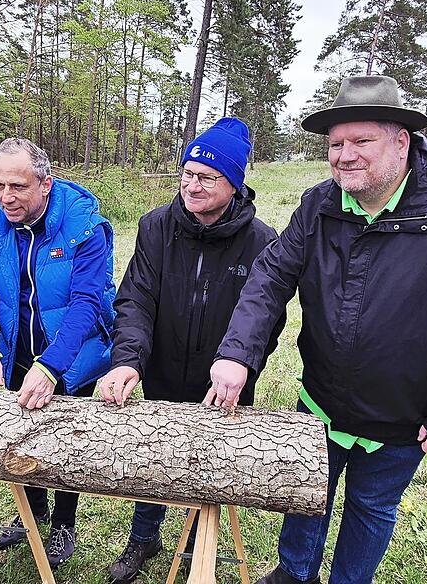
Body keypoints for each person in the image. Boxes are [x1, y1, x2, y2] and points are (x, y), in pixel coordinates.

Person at [207, 76, 427, 584]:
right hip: (321, 401)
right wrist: (236, 354)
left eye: (362, 141)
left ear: (401, 141)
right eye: (336, 144)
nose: (344, 155)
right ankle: (294, 573)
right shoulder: (320, 205)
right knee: (305, 494)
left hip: (403, 416)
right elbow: (271, 275)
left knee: (372, 507)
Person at [99, 117, 285, 584]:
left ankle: (195, 546)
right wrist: (128, 361)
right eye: (187, 173)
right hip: (161, 369)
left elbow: (267, 317)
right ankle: (144, 537)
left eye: (207, 177)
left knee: (208, 464)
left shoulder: (261, 241)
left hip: (221, 383)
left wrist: (243, 364)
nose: (192, 185)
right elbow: (137, 297)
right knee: (154, 458)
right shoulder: (156, 227)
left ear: (234, 183)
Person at [0, 137, 116, 569]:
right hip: (18, 353)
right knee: (24, 435)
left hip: (75, 357)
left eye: (18, 186)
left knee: (68, 446)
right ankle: (32, 511)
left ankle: (64, 521)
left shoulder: (83, 227)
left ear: (45, 184)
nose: (6, 197)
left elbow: (87, 303)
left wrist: (51, 367)